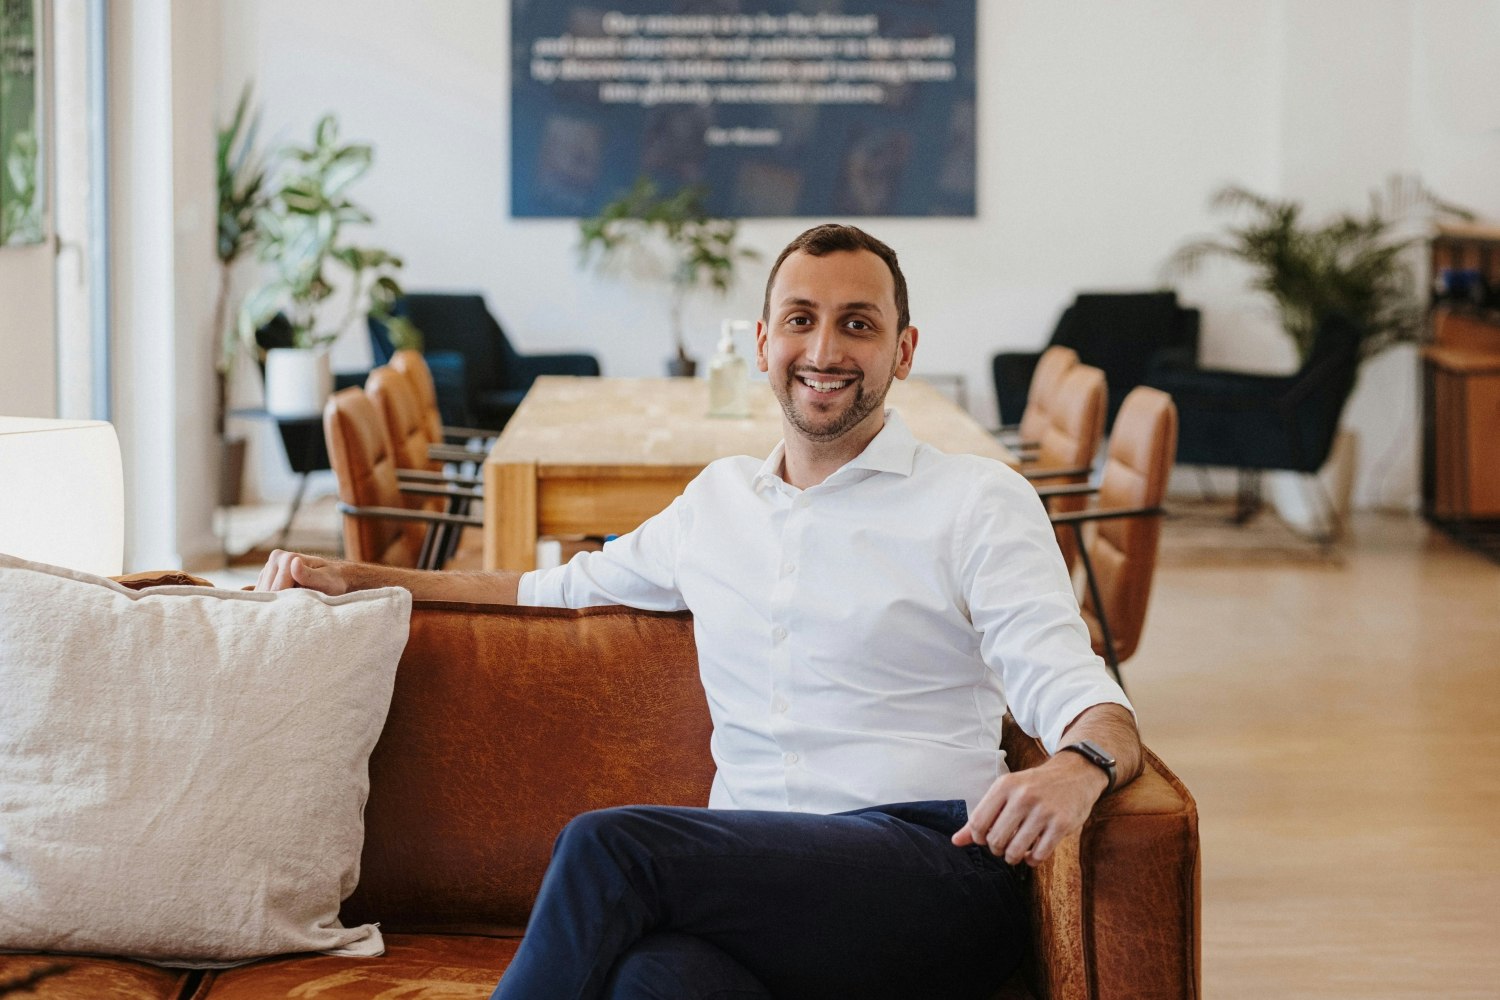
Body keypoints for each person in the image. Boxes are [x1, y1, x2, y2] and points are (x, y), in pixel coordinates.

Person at [258, 224, 1141, 999]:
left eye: (858, 323)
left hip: (928, 874)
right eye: (800, 318)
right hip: (757, 879)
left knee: (612, 851)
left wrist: (1082, 765)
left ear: (903, 351)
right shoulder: (716, 504)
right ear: (762, 343)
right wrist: (364, 578)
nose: (824, 347)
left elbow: (1081, 693)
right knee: (656, 980)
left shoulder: (977, 501)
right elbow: (547, 588)